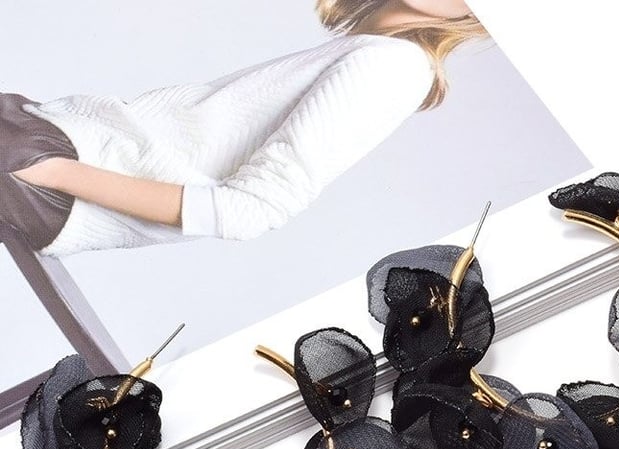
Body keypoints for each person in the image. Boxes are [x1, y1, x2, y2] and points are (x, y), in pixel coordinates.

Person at [1, 0, 487, 257]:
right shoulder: (374, 50)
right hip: (49, 141)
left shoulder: (396, 66)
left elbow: (251, 210)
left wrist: (56, 173)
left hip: (54, 171)